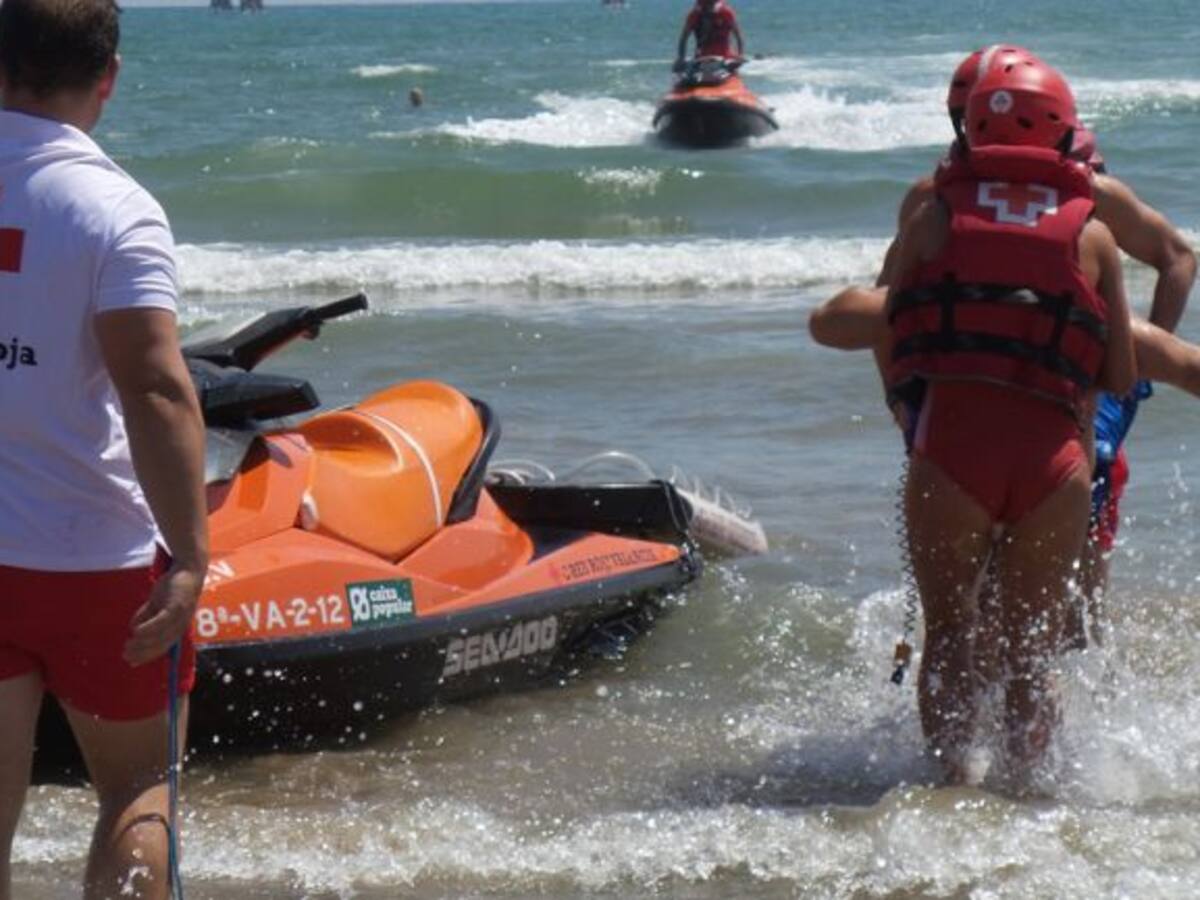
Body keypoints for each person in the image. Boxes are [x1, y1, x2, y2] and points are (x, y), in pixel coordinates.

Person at [869, 44, 1196, 643]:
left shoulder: (1087, 190)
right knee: (993, 622)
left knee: (1061, 611)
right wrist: (902, 403)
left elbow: (1178, 256)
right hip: (985, 419)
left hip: (1065, 406)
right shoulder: (933, 196)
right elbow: (894, 314)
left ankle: (1084, 659)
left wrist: (1130, 384)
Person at [0, 1, 208, 898]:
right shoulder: (115, 208)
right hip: (94, 558)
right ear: (109, 76)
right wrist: (191, 554)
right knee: (138, 787)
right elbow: (155, 387)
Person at [882, 54, 1136, 782]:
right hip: (1053, 463)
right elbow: (1120, 373)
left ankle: (949, 787)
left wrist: (901, 401)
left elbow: (890, 324)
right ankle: (1026, 796)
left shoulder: (932, 216)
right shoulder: (1093, 235)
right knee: (1031, 654)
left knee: (950, 634)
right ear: (1062, 130)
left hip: (951, 449)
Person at [674, 0, 744, 71]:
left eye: (711, 3)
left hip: (725, 58)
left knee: (731, 65)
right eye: (706, 4)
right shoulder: (694, 15)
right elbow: (684, 38)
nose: (709, 7)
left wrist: (740, 55)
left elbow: (738, 37)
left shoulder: (726, 13)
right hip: (701, 58)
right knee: (676, 68)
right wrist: (681, 58)